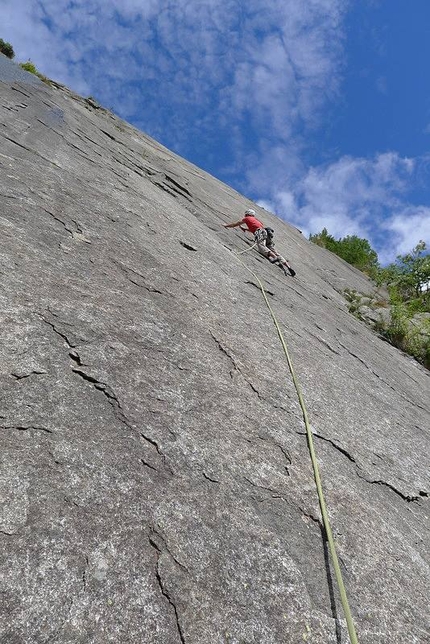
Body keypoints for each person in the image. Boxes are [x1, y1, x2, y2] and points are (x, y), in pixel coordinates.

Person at [224, 209, 296, 277]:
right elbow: (255, 228)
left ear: (247, 214)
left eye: (245, 214)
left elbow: (236, 224)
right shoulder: (256, 221)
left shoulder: (247, 218)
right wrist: (245, 229)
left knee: (261, 246)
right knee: (274, 250)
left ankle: (274, 257)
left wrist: (226, 225)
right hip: (266, 234)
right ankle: (288, 267)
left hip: (260, 232)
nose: (245, 215)